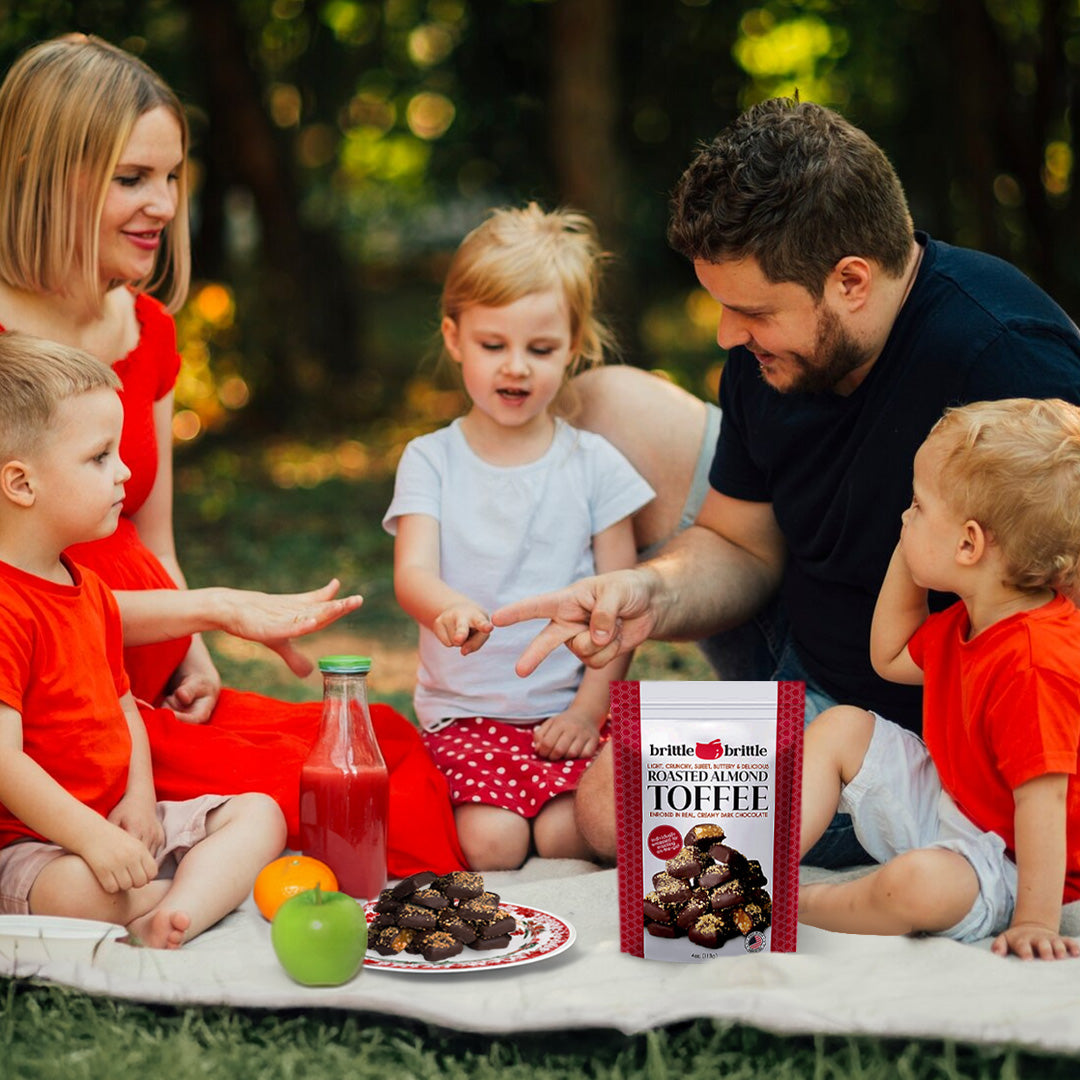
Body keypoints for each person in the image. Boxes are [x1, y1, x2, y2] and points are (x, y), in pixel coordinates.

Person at [493, 97, 1080, 865]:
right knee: (608, 402)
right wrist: (649, 594)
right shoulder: (767, 354)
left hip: (916, 735)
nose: (726, 335)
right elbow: (739, 540)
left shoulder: (1006, 358)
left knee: (614, 805)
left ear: (851, 281)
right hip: (800, 637)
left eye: (751, 311)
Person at [0, 34, 465, 875]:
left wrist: (193, 649)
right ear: (46, 171)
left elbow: (152, 537)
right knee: (331, 798)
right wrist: (213, 610)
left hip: (147, 681)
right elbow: (28, 593)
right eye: (132, 179)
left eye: (172, 177)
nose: (165, 205)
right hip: (52, 707)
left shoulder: (151, 332)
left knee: (380, 744)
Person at [383, 204, 655, 869]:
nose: (516, 368)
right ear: (453, 338)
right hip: (468, 716)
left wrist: (590, 712)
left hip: (569, 712)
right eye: (492, 345)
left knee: (573, 836)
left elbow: (618, 611)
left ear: (574, 345)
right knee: (492, 844)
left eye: (540, 350)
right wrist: (445, 607)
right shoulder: (431, 459)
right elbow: (411, 572)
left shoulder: (595, 466)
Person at [0, 332, 287, 947]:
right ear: (22, 485)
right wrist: (91, 838)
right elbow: (4, 760)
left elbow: (122, 705)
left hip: (115, 821)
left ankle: (166, 911)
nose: (126, 471)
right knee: (78, 889)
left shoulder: (89, 589)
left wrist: (138, 797)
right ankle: (182, 899)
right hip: (32, 843)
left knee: (260, 813)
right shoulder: (5, 606)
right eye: (100, 456)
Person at [800, 398, 1080, 960]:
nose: (904, 519)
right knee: (841, 727)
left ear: (969, 544)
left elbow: (1045, 804)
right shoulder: (973, 618)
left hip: (1011, 863)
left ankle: (795, 904)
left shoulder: (1034, 661)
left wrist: (1035, 920)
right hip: (956, 808)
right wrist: (914, 549)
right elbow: (891, 655)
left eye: (917, 506)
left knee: (917, 886)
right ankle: (751, 860)